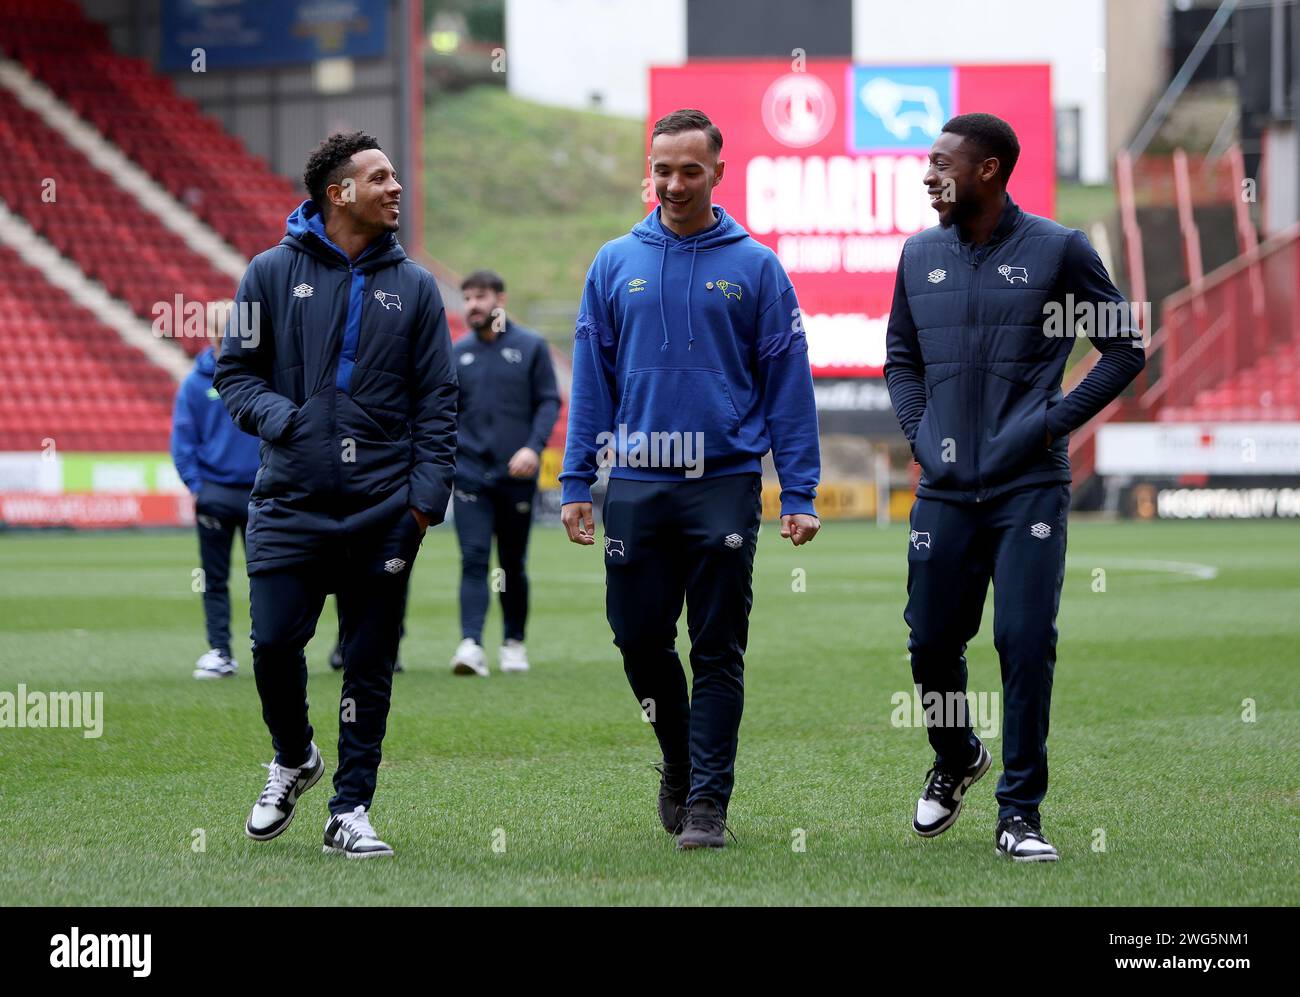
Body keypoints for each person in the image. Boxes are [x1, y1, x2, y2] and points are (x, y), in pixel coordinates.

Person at [884, 113, 1145, 862]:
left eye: (943, 163)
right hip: (944, 486)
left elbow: (1124, 348)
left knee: (1024, 641)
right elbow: (901, 358)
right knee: (932, 641)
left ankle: (1019, 812)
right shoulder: (919, 253)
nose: (930, 174)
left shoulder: (1059, 250)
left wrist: (1047, 424)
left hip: (1028, 484)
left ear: (989, 170)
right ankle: (958, 752)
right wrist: (921, 434)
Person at [559, 109, 821, 850]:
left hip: (724, 482)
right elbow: (593, 383)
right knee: (637, 640)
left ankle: (708, 800)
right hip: (638, 482)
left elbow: (788, 384)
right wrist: (578, 480)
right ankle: (677, 758)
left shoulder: (758, 266)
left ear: (718, 173)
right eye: (662, 169)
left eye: (689, 171)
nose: (674, 184)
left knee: (716, 650)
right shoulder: (613, 263)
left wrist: (798, 489)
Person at [214, 131, 457, 859]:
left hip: (385, 513)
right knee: (272, 645)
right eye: (379, 178)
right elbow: (234, 373)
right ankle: (294, 755)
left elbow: (439, 402)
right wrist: (285, 419)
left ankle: (351, 808)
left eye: (395, 176)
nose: (395, 188)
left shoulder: (415, 287)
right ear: (338, 193)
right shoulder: (267, 272)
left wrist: (422, 505)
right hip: (289, 503)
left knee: (369, 664)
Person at [448, 269, 560, 676]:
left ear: (500, 299)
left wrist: (533, 447)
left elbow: (549, 402)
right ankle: (471, 644)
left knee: (512, 563)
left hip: (517, 478)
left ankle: (513, 642)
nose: (472, 306)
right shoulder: (458, 353)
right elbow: (446, 412)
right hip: (471, 476)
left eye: (479, 297)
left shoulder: (530, 346)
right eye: (467, 298)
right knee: (474, 559)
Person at [170, 300, 260, 679]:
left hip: (262, 493)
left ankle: (264, 647)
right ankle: (221, 650)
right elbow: (183, 441)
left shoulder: (261, 375)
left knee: (267, 575)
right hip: (217, 495)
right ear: (211, 332)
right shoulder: (195, 384)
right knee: (215, 577)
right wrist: (196, 487)